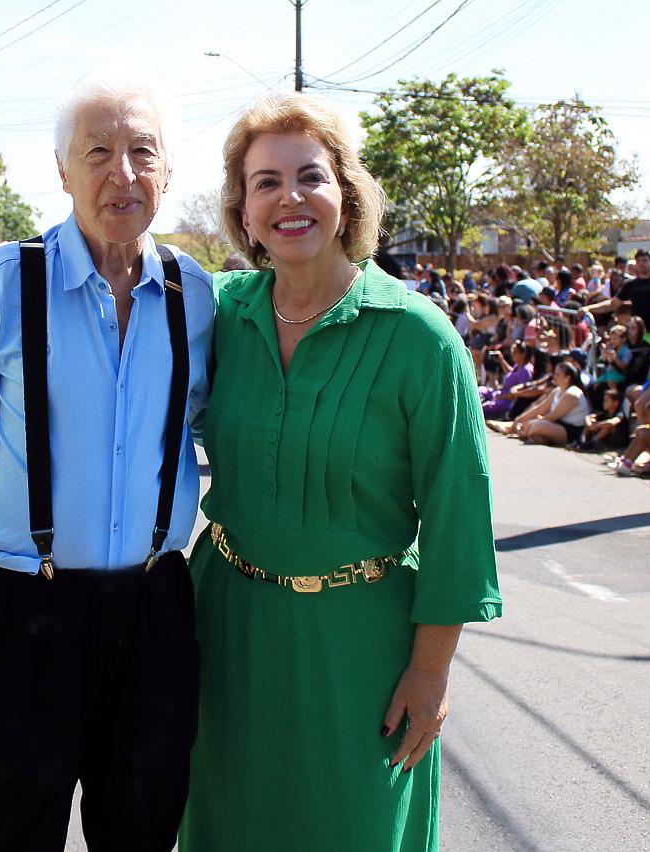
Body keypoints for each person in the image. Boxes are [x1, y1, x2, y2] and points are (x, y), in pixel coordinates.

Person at [180, 92, 500, 852]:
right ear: (244, 211)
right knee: (226, 825)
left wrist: (430, 674)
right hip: (225, 629)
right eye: (265, 182)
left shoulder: (419, 337)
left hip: (362, 646)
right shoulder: (217, 312)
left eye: (310, 176)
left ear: (346, 196)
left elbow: (458, 517)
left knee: (352, 828)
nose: (289, 198)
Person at [0, 67, 213, 851]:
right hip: (26, 608)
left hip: (154, 608)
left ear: (167, 171)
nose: (122, 174)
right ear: (61, 172)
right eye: (97, 152)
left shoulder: (201, 296)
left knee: (145, 824)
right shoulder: (6, 280)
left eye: (142, 152)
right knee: (22, 820)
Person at [506, 361, 591, 446]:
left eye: (557, 374)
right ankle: (539, 438)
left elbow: (552, 417)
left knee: (537, 426)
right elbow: (540, 408)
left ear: (567, 378)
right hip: (558, 426)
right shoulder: (557, 390)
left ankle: (524, 434)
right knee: (529, 423)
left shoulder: (572, 394)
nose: (554, 376)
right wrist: (519, 419)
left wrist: (530, 424)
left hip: (571, 432)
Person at [615, 248, 650, 334]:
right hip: (638, 333)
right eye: (638, 261)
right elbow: (614, 303)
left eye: (644, 260)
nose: (641, 263)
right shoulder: (630, 284)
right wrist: (589, 308)